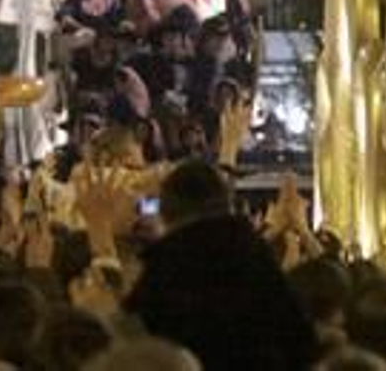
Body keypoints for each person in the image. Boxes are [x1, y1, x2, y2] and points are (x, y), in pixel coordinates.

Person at [123, 159, 317, 371]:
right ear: (227, 204)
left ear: (165, 211)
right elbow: (301, 344)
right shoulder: (256, 262)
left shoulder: (163, 271)